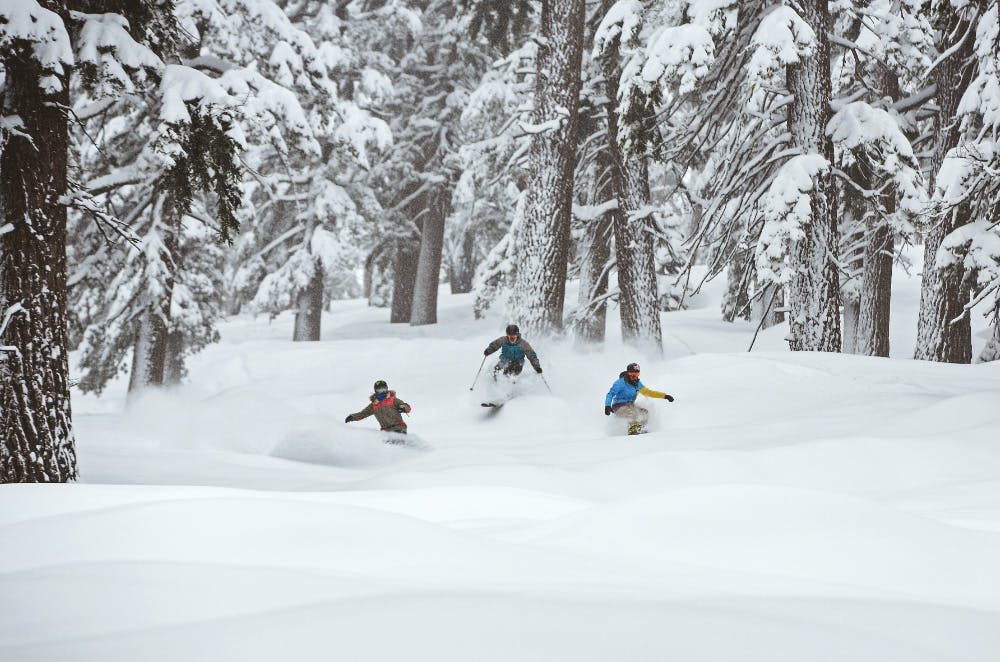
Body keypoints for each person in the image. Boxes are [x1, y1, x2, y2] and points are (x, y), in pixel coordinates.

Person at [604, 362, 674, 435]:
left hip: (630, 405)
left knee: (644, 412)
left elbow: (649, 392)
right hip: (618, 406)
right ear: (628, 373)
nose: (634, 376)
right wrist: (607, 405)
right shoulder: (620, 383)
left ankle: (640, 428)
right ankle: (633, 430)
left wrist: (665, 396)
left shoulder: (637, 384)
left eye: (636, 374)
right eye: (632, 374)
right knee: (632, 413)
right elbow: (610, 394)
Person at [345, 380, 412, 434]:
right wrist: (352, 417)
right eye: (379, 390)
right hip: (385, 432)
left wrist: (404, 407)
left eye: (384, 389)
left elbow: (406, 407)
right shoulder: (374, 405)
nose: (382, 391)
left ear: (387, 389)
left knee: (397, 443)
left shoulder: (393, 400)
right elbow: (363, 414)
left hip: (399, 428)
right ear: (376, 391)